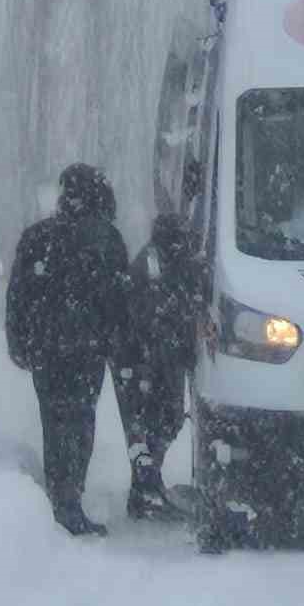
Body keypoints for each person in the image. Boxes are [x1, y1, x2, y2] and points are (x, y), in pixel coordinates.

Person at [5, 163, 130, 536]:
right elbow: (118, 301)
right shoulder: (107, 239)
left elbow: (18, 296)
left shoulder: (37, 237)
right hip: (86, 350)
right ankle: (69, 499)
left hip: (45, 347)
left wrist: (19, 342)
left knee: (53, 420)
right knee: (79, 419)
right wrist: (115, 343)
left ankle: (59, 497)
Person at [112, 211, 203, 520]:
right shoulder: (152, 266)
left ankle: (147, 484)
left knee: (164, 418)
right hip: (150, 358)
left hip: (162, 356)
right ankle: (144, 487)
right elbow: (151, 315)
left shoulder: (169, 262)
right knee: (157, 418)